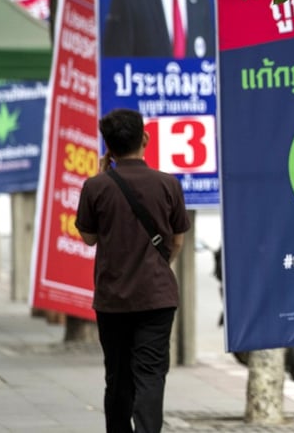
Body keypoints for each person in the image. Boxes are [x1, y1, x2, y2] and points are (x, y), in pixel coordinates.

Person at [76, 109, 191, 432]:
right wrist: (156, 267)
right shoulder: (168, 184)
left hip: (112, 299)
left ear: (108, 147)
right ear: (145, 138)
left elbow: (88, 238)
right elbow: (177, 241)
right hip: (157, 297)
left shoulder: (95, 186)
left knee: (117, 376)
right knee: (151, 375)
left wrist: (102, 175)